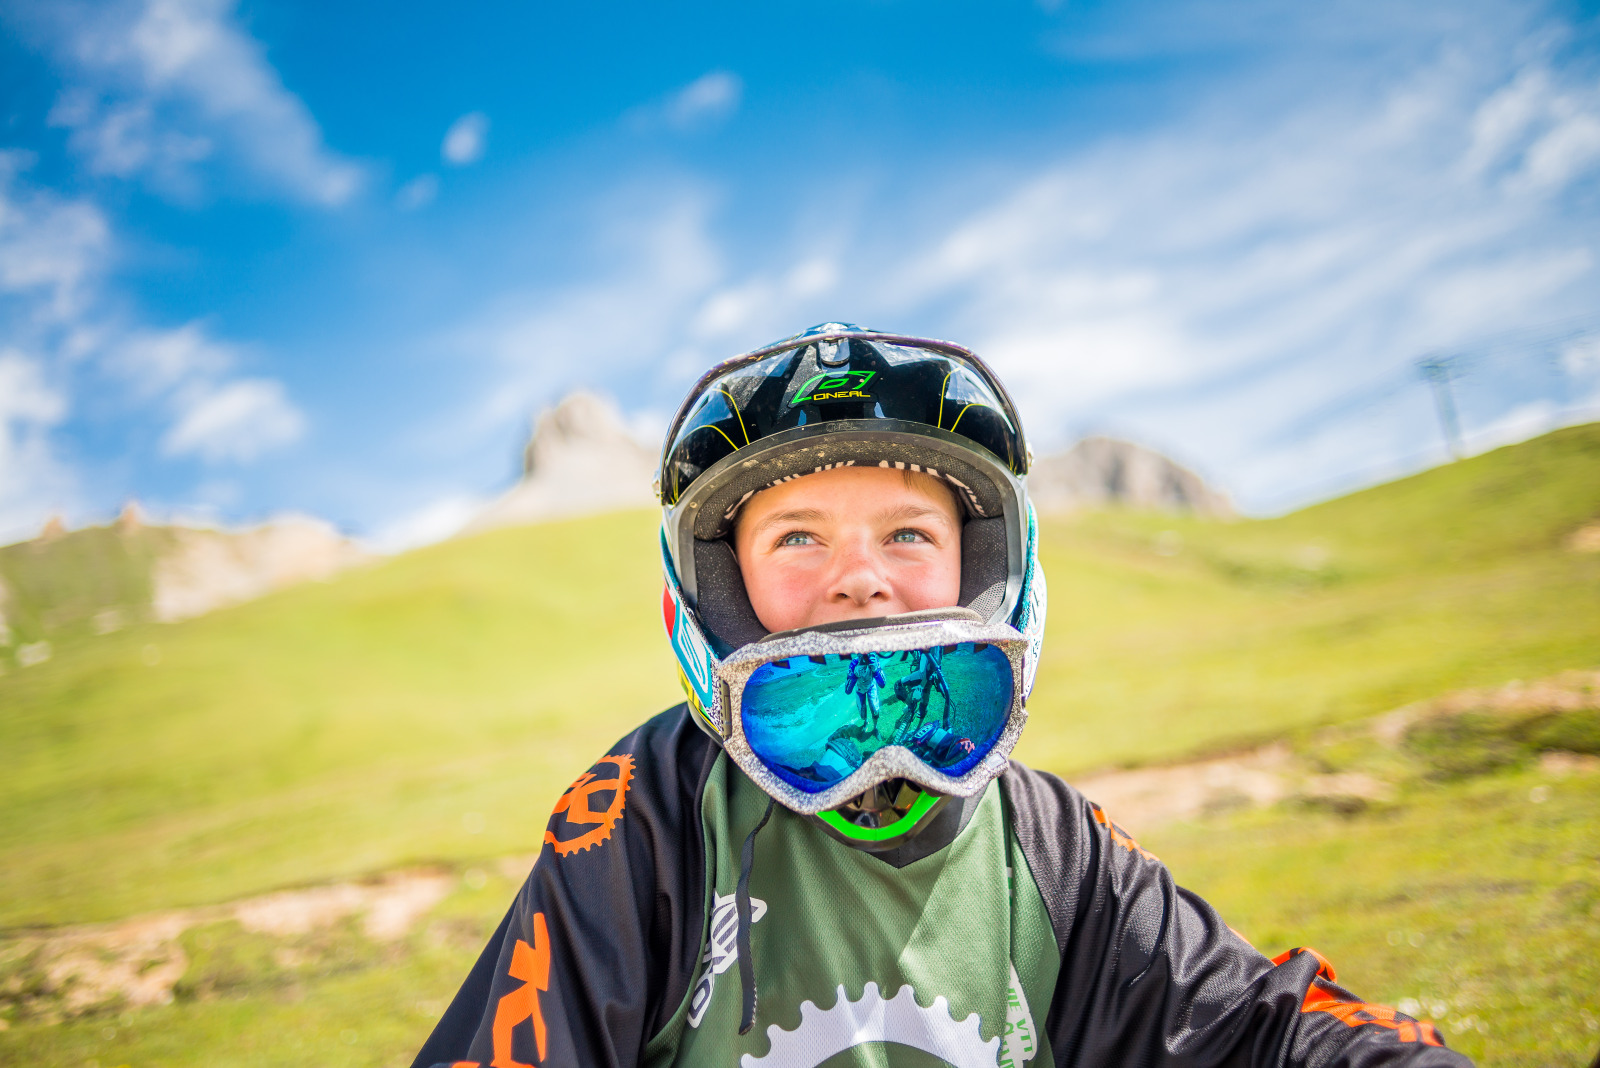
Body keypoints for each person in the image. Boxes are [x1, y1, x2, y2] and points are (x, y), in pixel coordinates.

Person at [412, 324, 1471, 1068]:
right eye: (796, 539)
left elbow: (1250, 1027)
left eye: (908, 534)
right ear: (719, 592)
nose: (859, 577)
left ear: (985, 567)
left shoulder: (1050, 841)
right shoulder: (644, 815)